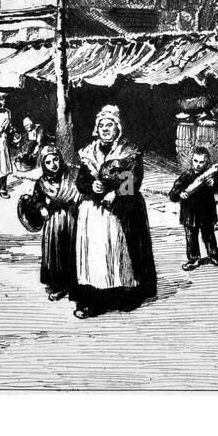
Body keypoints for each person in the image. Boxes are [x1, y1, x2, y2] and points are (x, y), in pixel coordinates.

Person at [73, 104, 157, 318]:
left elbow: (133, 179)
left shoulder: (129, 151)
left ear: (118, 127)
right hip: (93, 211)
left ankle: (124, 296)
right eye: (101, 125)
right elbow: (81, 180)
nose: (105, 129)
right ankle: (95, 300)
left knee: (119, 253)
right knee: (96, 255)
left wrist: (116, 194)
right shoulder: (88, 151)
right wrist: (91, 186)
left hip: (120, 210)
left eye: (110, 125)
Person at [19, 146, 80, 301]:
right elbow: (36, 200)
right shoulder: (41, 183)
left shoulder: (71, 176)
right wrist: (41, 208)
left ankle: (76, 283)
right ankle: (59, 285)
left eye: (55, 159)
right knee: (56, 252)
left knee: (73, 249)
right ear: (43, 164)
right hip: (53, 222)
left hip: (72, 219)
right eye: (48, 162)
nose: (53, 164)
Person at [169, 146, 218, 270]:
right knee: (191, 237)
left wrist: (214, 183)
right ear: (192, 160)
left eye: (201, 162)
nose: (198, 165)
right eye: (195, 161)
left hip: (206, 212)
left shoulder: (210, 176)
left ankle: (214, 254)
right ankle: (193, 258)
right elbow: (173, 193)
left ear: (207, 163)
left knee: (209, 235)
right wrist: (180, 193)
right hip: (189, 214)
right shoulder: (186, 176)